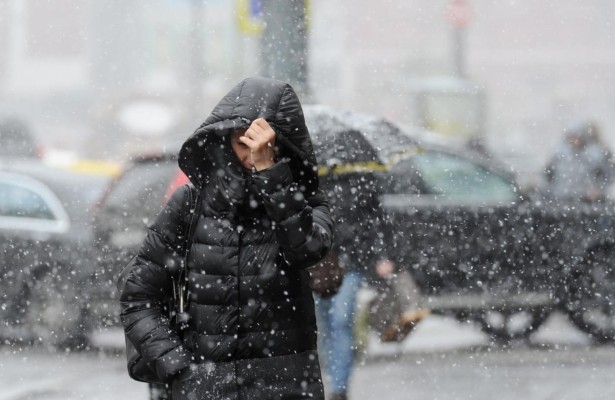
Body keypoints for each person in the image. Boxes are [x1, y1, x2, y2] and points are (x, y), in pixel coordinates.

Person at [120, 77, 334, 400]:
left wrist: (271, 175)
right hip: (206, 388)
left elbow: (305, 250)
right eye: (242, 143)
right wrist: (178, 368)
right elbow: (138, 296)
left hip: (287, 388)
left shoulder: (305, 204)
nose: (251, 156)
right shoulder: (189, 205)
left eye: (262, 145)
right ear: (224, 142)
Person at [314, 169, 427, 400]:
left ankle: (339, 388)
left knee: (341, 321)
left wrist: (384, 254)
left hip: (350, 262)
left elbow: (378, 218)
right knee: (325, 324)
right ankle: (332, 379)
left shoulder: (361, 179)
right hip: (316, 263)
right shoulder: (309, 176)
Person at [543, 120, 615, 202]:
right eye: (571, 137)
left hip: (587, 201)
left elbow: (608, 175)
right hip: (561, 199)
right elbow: (548, 175)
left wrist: (599, 190)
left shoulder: (597, 154)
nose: (574, 140)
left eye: (576, 137)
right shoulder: (559, 154)